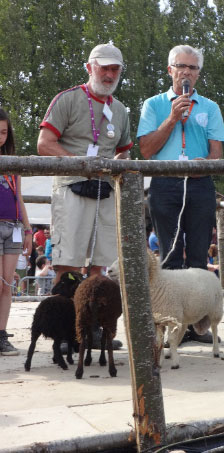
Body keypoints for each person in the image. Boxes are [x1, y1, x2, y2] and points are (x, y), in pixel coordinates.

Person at [38, 43, 132, 285]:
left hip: (106, 192)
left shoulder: (120, 110)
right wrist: (82, 164)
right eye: (104, 68)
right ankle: (64, 321)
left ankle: (97, 322)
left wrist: (119, 164)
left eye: (115, 69)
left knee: (104, 267)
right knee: (68, 264)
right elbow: (44, 144)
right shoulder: (67, 99)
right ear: (90, 68)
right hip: (71, 187)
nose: (110, 75)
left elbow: (124, 153)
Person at [138, 44, 224, 272]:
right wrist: (172, 118)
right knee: (170, 256)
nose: (186, 72)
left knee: (199, 255)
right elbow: (146, 150)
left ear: (198, 73)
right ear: (170, 70)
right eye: (181, 66)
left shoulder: (211, 107)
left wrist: (205, 164)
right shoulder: (153, 105)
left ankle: (198, 307)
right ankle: (171, 307)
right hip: (164, 183)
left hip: (199, 183)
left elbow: (217, 154)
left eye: (192, 67)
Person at [0, 108, 33, 355]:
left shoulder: (13, 162)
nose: (0, 137)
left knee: (7, 284)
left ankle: (2, 334)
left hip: (13, 227)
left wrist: (29, 229)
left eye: (3, 132)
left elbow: (18, 196)